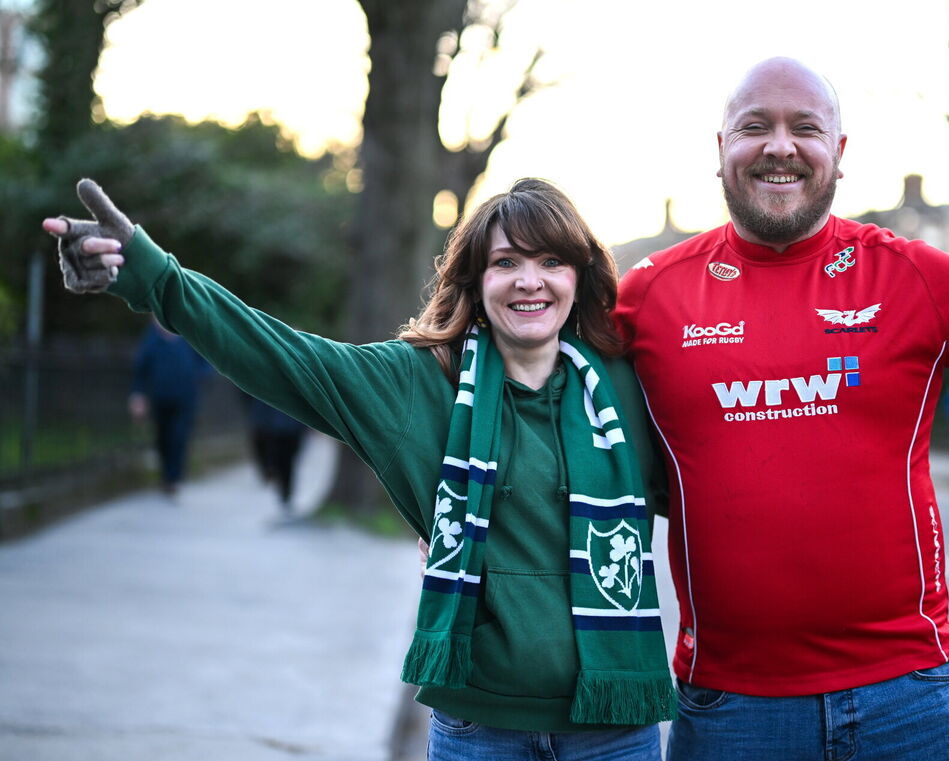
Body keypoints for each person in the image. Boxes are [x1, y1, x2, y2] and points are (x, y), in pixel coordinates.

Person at [43, 177, 674, 760]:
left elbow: (725, 477)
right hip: (481, 729)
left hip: (612, 734)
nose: (529, 281)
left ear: (578, 276)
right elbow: (282, 356)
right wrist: (154, 276)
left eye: (550, 262)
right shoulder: (416, 382)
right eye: (506, 262)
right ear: (476, 280)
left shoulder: (629, 385)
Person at [613, 57, 949, 761]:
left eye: (806, 128)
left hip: (908, 696)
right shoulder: (647, 294)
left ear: (841, 154)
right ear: (721, 148)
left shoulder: (911, 273)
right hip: (732, 705)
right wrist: (442, 501)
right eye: (754, 126)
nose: (780, 145)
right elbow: (539, 395)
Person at [128, 316, 210, 495]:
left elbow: (206, 362)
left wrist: (195, 375)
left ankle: (175, 478)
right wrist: (138, 396)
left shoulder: (187, 335)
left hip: (185, 399)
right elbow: (140, 369)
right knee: (162, 438)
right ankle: (166, 477)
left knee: (179, 436)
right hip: (160, 398)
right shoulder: (151, 338)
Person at [244, 395, 308, 514]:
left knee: (286, 458)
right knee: (282, 458)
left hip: (286, 422)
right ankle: (283, 488)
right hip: (273, 421)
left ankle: (285, 490)